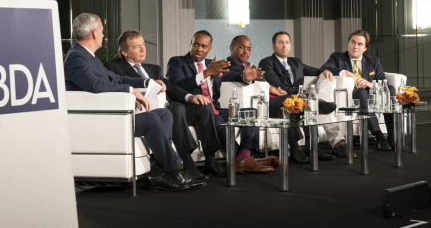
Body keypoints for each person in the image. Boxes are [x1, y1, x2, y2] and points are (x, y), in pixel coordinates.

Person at [64, 13, 205, 191]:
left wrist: (146, 83)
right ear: (93, 33)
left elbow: (115, 78)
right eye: (101, 30)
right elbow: (96, 85)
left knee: (164, 114)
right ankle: (174, 172)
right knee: (151, 119)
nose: (103, 35)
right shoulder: (76, 57)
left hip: (112, 115)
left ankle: (156, 173)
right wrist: (131, 91)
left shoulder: (89, 57)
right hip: (100, 120)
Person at [104, 30, 220, 180]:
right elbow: (118, 84)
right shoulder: (113, 67)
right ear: (124, 52)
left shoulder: (153, 69)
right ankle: (188, 164)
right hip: (148, 111)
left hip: (167, 106)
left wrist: (190, 97)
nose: (143, 49)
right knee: (176, 109)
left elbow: (170, 87)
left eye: (143, 45)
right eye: (137, 47)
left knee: (203, 107)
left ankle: (211, 160)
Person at [166, 30, 275, 174]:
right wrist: (206, 73)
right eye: (196, 45)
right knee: (218, 122)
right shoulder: (177, 62)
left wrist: (243, 76)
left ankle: (244, 156)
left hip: (216, 108)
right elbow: (178, 85)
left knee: (251, 115)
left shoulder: (211, 64)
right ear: (191, 44)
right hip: (196, 109)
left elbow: (230, 74)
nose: (199, 49)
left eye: (204, 46)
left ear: (209, 48)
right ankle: (244, 161)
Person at [259, 31, 345, 161]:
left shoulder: (296, 62)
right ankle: (295, 150)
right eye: (280, 42)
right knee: (294, 102)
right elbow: (277, 85)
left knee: (323, 82)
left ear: (290, 45)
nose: (284, 45)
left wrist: (325, 71)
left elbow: (315, 71)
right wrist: (302, 95)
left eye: (287, 42)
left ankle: (312, 147)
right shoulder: (267, 62)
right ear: (273, 46)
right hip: (276, 102)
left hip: (298, 100)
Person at [321, 30, 394, 151]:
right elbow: (325, 68)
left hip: (372, 93)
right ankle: (380, 136)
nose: (355, 46)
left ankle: (392, 136)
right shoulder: (338, 57)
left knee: (390, 89)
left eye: (360, 44)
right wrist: (347, 73)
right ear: (349, 43)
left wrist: (370, 84)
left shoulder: (373, 61)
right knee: (361, 93)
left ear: (365, 48)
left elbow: (382, 80)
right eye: (352, 42)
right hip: (352, 95)